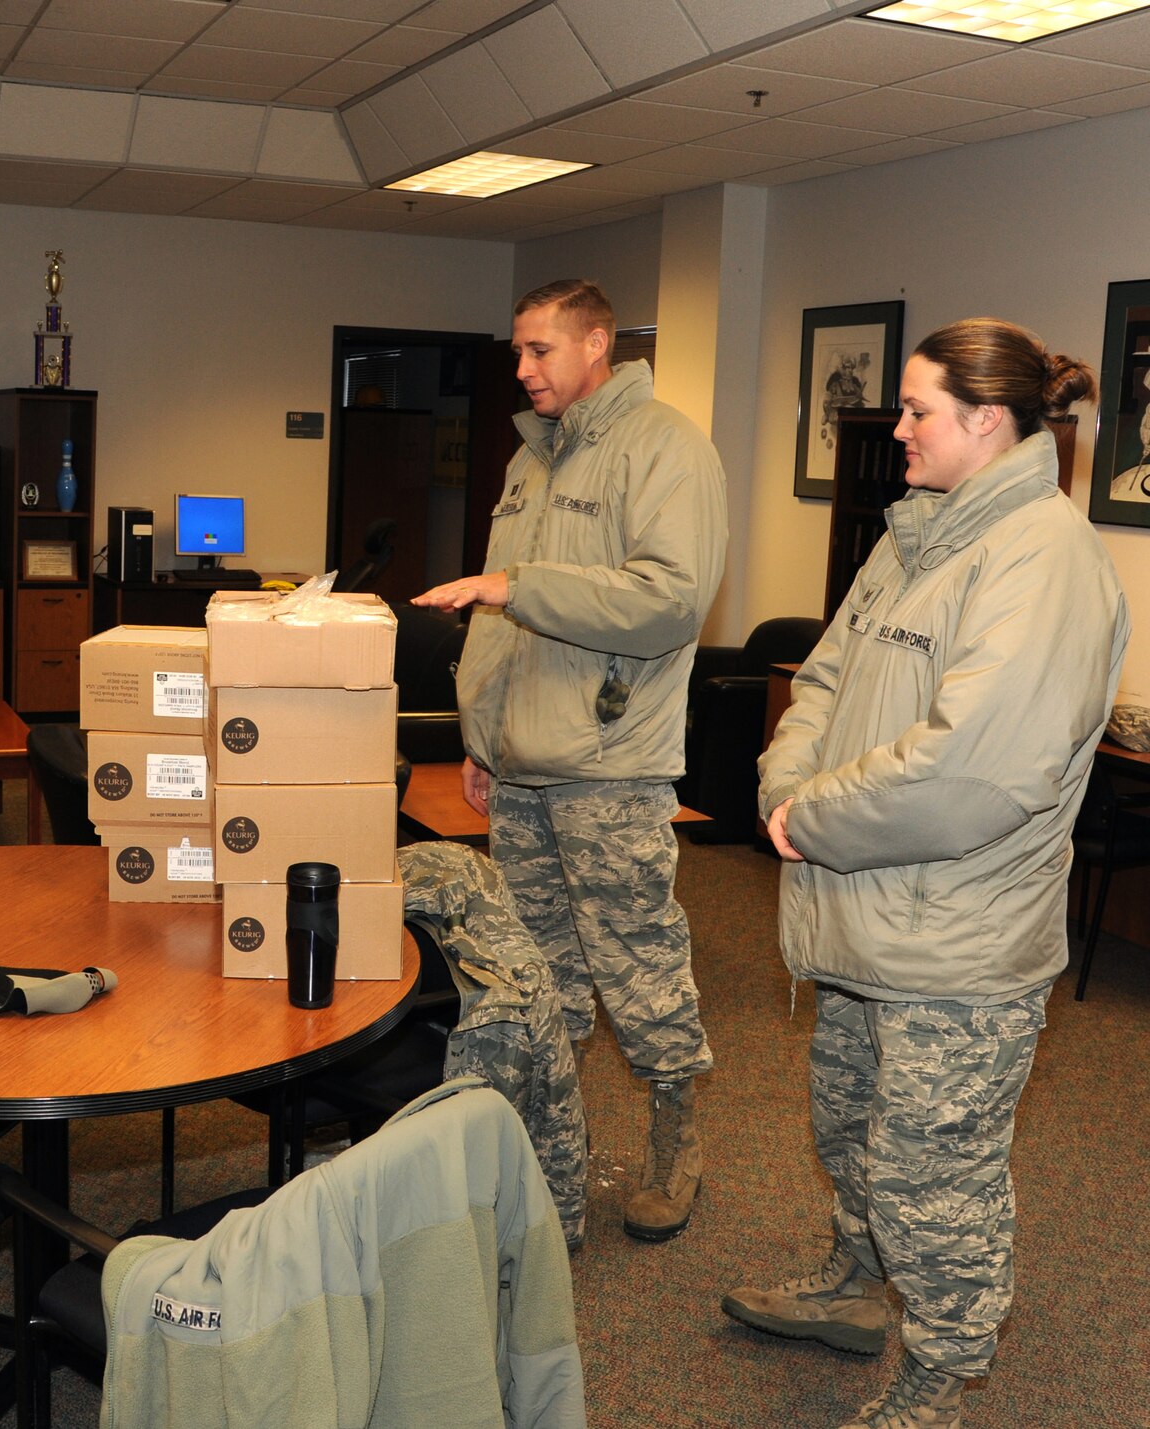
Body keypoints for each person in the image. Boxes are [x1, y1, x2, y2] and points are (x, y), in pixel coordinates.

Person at [726, 319, 1127, 1429]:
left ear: (985, 420)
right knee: (848, 1130)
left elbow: (970, 773)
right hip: (859, 909)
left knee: (931, 1178)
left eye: (915, 410)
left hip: (953, 949)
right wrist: (780, 787)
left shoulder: (1041, 558)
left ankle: (940, 1373)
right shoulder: (912, 537)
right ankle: (854, 1288)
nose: (893, 429)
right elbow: (817, 679)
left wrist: (809, 817)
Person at [414, 277, 726, 1244]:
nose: (522, 368)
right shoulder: (530, 459)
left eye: (539, 350)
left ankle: (678, 1135)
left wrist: (522, 582)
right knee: (535, 972)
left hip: (609, 764)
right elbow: (503, 624)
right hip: (523, 762)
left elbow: (671, 600)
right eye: (518, 351)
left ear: (597, 344)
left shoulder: (666, 448)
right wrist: (482, 737)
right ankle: (553, 1150)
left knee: (636, 963)